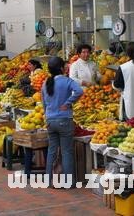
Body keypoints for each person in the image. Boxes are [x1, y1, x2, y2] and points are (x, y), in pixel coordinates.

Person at [42, 56, 83, 187]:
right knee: (66, 151)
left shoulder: (45, 83)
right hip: (64, 120)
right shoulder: (66, 81)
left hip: (50, 120)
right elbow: (79, 91)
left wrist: (47, 114)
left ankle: (48, 181)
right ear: (61, 68)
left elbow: (43, 103)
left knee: (52, 150)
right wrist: (68, 103)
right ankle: (68, 182)